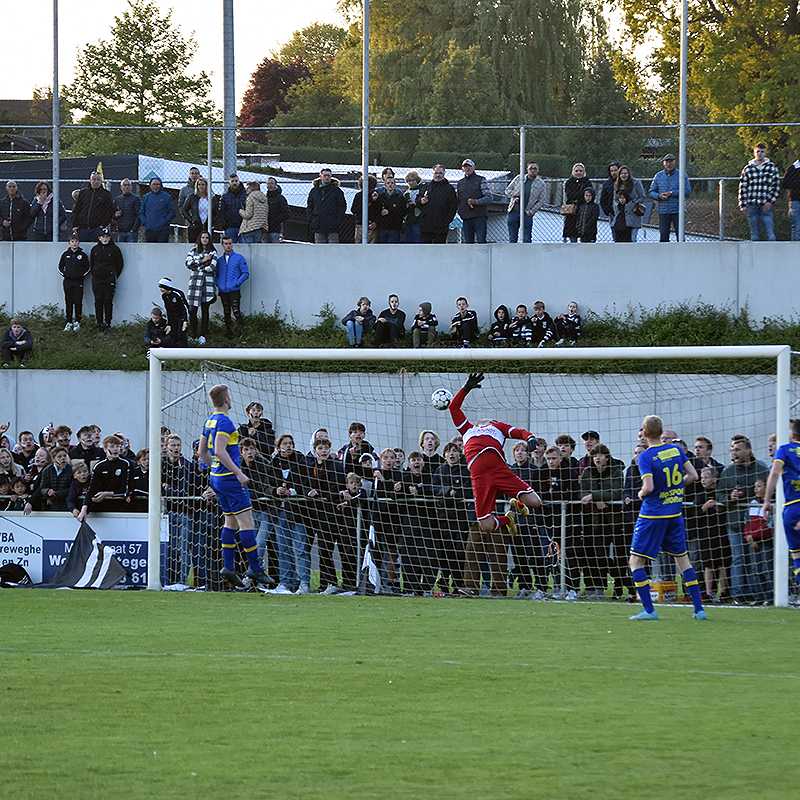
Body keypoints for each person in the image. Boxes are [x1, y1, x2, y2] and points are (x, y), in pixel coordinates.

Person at [628, 414, 706, 620]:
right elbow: (694, 476)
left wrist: (641, 493)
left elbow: (649, 487)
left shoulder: (644, 456)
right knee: (683, 560)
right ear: (661, 432)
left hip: (652, 515)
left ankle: (649, 610)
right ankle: (699, 610)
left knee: (636, 562)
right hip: (674, 512)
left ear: (644, 433)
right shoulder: (676, 450)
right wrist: (676, 487)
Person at [447, 372, 542, 535]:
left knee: (535, 502)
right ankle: (509, 518)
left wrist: (530, 437)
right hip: (479, 476)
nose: (482, 420)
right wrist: (466, 388)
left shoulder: (498, 427)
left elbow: (520, 432)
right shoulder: (467, 429)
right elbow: (453, 407)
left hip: (499, 470)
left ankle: (517, 503)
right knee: (486, 526)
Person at [198, 383, 270, 587]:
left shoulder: (209, 420)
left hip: (217, 478)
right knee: (247, 524)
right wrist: (238, 473)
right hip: (229, 478)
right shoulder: (226, 423)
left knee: (229, 522)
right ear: (226, 399)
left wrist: (210, 470)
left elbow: (201, 452)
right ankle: (255, 569)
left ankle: (228, 566)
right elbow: (220, 451)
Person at [716, 435, 769, 602]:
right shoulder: (727, 472)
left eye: (737, 449)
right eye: (732, 449)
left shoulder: (761, 469)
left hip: (757, 524)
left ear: (748, 450)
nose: (733, 452)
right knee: (738, 559)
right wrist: (730, 497)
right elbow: (720, 495)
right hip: (734, 523)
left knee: (757, 560)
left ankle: (760, 594)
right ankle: (738, 595)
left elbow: (770, 490)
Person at [762, 419, 800, 594]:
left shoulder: (784, 450)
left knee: (796, 556)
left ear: (792, 434)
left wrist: (767, 500)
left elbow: (775, 473)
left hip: (793, 508)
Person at [81, 434, 134, 519]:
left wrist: (106, 494)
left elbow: (126, 490)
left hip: (121, 508)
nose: (116, 449)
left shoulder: (126, 464)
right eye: (112, 446)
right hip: (102, 508)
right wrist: (84, 509)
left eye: (118, 446)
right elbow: (92, 489)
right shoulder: (99, 466)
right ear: (105, 449)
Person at [738, 142, 781, 241]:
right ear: (754, 152)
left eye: (762, 151)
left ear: (765, 153)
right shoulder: (748, 168)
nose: (760, 153)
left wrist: (770, 201)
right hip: (751, 203)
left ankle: (772, 249)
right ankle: (754, 250)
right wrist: (742, 204)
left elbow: (775, 186)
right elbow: (743, 187)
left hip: (765, 202)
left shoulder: (771, 167)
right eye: (758, 151)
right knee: (754, 233)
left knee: (770, 232)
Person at [648, 154, 691, 242]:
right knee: (663, 235)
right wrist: (659, 196)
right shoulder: (658, 176)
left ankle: (682, 253)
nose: (669, 164)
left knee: (680, 236)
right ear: (663, 163)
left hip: (678, 210)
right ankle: (664, 255)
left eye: (671, 161)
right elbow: (651, 192)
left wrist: (672, 193)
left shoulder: (682, 175)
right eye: (667, 161)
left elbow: (687, 191)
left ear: (675, 162)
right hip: (663, 211)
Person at [185, 231, 218, 345]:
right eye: (203, 237)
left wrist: (197, 266)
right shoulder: (193, 251)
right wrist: (203, 261)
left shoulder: (213, 252)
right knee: (192, 311)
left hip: (207, 285)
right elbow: (188, 264)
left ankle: (203, 335)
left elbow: (212, 267)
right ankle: (192, 334)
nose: (205, 239)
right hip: (194, 284)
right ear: (200, 238)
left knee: (205, 311)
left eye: (207, 237)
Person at [89, 227, 124, 330]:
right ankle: (99, 323)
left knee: (108, 301)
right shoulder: (95, 249)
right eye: (102, 237)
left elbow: (120, 264)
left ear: (110, 238)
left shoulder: (115, 249)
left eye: (107, 237)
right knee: (98, 300)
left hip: (109, 279)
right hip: (97, 280)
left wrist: (113, 275)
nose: (105, 239)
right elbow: (92, 263)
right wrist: (95, 273)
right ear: (99, 238)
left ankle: (108, 323)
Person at [505, 162, 546, 243]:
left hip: (527, 213)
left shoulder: (541, 183)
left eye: (535, 169)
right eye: (531, 168)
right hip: (514, 211)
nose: (533, 170)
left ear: (538, 170)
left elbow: (541, 200)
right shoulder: (518, 178)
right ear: (527, 169)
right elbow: (507, 190)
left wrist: (532, 211)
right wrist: (514, 195)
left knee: (527, 238)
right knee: (512, 237)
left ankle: (527, 254)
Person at [216, 237, 249, 337]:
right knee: (226, 312)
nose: (228, 245)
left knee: (236, 311)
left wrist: (237, 283)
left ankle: (241, 332)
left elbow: (245, 273)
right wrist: (218, 284)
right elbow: (215, 274)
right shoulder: (219, 260)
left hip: (234, 290)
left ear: (232, 244)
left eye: (230, 243)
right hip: (223, 290)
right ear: (222, 245)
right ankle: (228, 332)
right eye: (226, 244)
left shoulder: (239, 258)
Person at [416, 164, 458, 243]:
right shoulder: (426, 186)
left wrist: (447, 221)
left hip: (441, 227)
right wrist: (421, 201)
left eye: (440, 173)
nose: (438, 175)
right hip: (426, 226)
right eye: (436, 173)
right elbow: (417, 200)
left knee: (439, 251)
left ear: (444, 174)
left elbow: (453, 206)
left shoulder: (449, 189)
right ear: (433, 173)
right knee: (425, 250)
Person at [58, 234, 90, 332]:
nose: (74, 243)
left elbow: (88, 268)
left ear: (78, 243)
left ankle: (77, 322)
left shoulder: (83, 255)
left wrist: (80, 276)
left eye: (76, 241)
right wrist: (66, 275)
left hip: (78, 282)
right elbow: (59, 267)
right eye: (72, 241)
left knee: (78, 302)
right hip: (67, 282)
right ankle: (68, 322)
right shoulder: (65, 254)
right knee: (68, 301)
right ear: (69, 243)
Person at [307, 167, 346, 243]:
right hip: (318, 225)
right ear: (320, 176)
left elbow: (342, 206)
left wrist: (337, 221)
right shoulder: (314, 191)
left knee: (333, 249)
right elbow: (310, 206)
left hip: (332, 226)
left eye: (329, 175)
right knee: (320, 249)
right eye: (325, 175)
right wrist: (312, 220)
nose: (327, 177)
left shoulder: (337, 191)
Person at [71, 172, 113, 242]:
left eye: (98, 179)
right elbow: (76, 210)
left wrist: (103, 225)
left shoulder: (106, 194)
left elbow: (109, 211)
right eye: (93, 179)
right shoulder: (83, 193)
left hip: (97, 229)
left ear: (101, 181)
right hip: (82, 229)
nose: (96, 181)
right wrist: (75, 225)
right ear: (90, 180)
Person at [456, 159, 492, 244]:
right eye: (465, 167)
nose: (467, 168)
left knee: (481, 242)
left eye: (469, 166)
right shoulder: (460, 183)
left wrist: (475, 202)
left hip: (479, 217)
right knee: (468, 244)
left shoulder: (481, 180)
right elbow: (458, 200)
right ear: (462, 169)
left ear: (474, 168)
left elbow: (489, 197)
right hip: (466, 218)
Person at [613, 166, 646, 242]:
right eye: (622, 173)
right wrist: (618, 204)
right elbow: (615, 199)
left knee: (632, 239)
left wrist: (632, 203)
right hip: (621, 217)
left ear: (629, 174)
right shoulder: (617, 184)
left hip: (633, 215)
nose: (624, 175)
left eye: (625, 173)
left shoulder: (636, 182)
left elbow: (642, 197)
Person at [561, 163, 591, 243]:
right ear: (573, 171)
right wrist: (581, 194)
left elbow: (589, 195)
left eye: (581, 171)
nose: (578, 172)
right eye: (576, 170)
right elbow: (570, 195)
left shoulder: (587, 182)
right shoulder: (569, 182)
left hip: (584, 210)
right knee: (572, 234)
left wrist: (578, 195)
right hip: (572, 212)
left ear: (584, 172)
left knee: (584, 233)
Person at [139, 177, 175, 243]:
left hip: (163, 230)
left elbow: (172, 212)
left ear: (161, 185)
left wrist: (164, 222)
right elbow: (141, 212)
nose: (156, 186)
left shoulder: (167, 197)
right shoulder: (146, 197)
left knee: (162, 250)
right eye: (154, 184)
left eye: (158, 184)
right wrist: (146, 223)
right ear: (150, 185)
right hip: (149, 230)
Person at [158, 277, 190, 347]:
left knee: (181, 335)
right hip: (173, 318)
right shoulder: (164, 296)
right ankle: (174, 353)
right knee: (173, 335)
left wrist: (185, 321)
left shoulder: (177, 294)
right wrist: (169, 323)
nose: (161, 289)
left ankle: (185, 353)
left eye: (162, 287)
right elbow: (168, 310)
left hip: (181, 318)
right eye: (160, 287)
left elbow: (184, 308)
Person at [181, 177, 215, 244]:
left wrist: (214, 223)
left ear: (206, 186)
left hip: (208, 226)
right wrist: (191, 220)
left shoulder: (212, 198)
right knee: (194, 245)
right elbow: (184, 210)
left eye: (203, 184)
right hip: (195, 226)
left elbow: (216, 212)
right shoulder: (192, 197)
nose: (201, 186)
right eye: (199, 184)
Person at [376, 174, 406, 243]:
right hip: (382, 228)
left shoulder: (400, 197)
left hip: (395, 228)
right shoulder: (380, 196)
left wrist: (389, 211)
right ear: (385, 184)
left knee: (393, 250)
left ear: (395, 184)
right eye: (388, 183)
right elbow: (376, 210)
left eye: (392, 183)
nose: (390, 185)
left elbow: (402, 211)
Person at [351, 174, 379, 243]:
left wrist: (375, 222)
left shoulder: (376, 195)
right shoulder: (359, 195)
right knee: (359, 244)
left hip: (371, 225)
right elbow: (354, 209)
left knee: (370, 244)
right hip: (361, 224)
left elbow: (379, 210)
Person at [218, 173, 247, 242]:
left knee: (244, 248)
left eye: (236, 181)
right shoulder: (225, 197)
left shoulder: (245, 195)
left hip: (244, 227)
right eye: (232, 181)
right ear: (229, 183)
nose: (234, 183)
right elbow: (222, 212)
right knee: (230, 246)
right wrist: (224, 225)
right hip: (230, 227)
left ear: (239, 182)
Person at [113, 179, 141, 243]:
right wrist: (115, 215)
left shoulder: (136, 199)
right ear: (121, 187)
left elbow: (139, 215)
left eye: (128, 185)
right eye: (124, 185)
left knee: (132, 251)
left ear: (131, 187)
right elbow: (112, 215)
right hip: (120, 232)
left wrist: (133, 229)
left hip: (131, 232)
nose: (127, 187)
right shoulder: (117, 199)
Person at [599, 161, 620, 239]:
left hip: (624, 214)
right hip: (612, 214)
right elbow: (602, 200)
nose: (614, 172)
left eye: (615, 170)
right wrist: (607, 211)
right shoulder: (607, 184)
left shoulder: (625, 182)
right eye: (612, 171)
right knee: (615, 235)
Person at [781, 156, 800, 241]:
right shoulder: (793, 168)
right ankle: (796, 249)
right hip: (795, 201)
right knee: (796, 225)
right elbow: (785, 184)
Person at [265, 177, 289, 243]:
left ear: (276, 185)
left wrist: (275, 220)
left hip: (275, 230)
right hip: (265, 229)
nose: (269, 185)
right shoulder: (265, 198)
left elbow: (287, 213)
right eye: (268, 183)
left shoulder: (281, 198)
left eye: (272, 183)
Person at [402, 170, 424, 243]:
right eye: (408, 181)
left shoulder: (421, 191)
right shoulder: (406, 193)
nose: (410, 183)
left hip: (418, 219)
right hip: (408, 219)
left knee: (417, 239)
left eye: (412, 180)